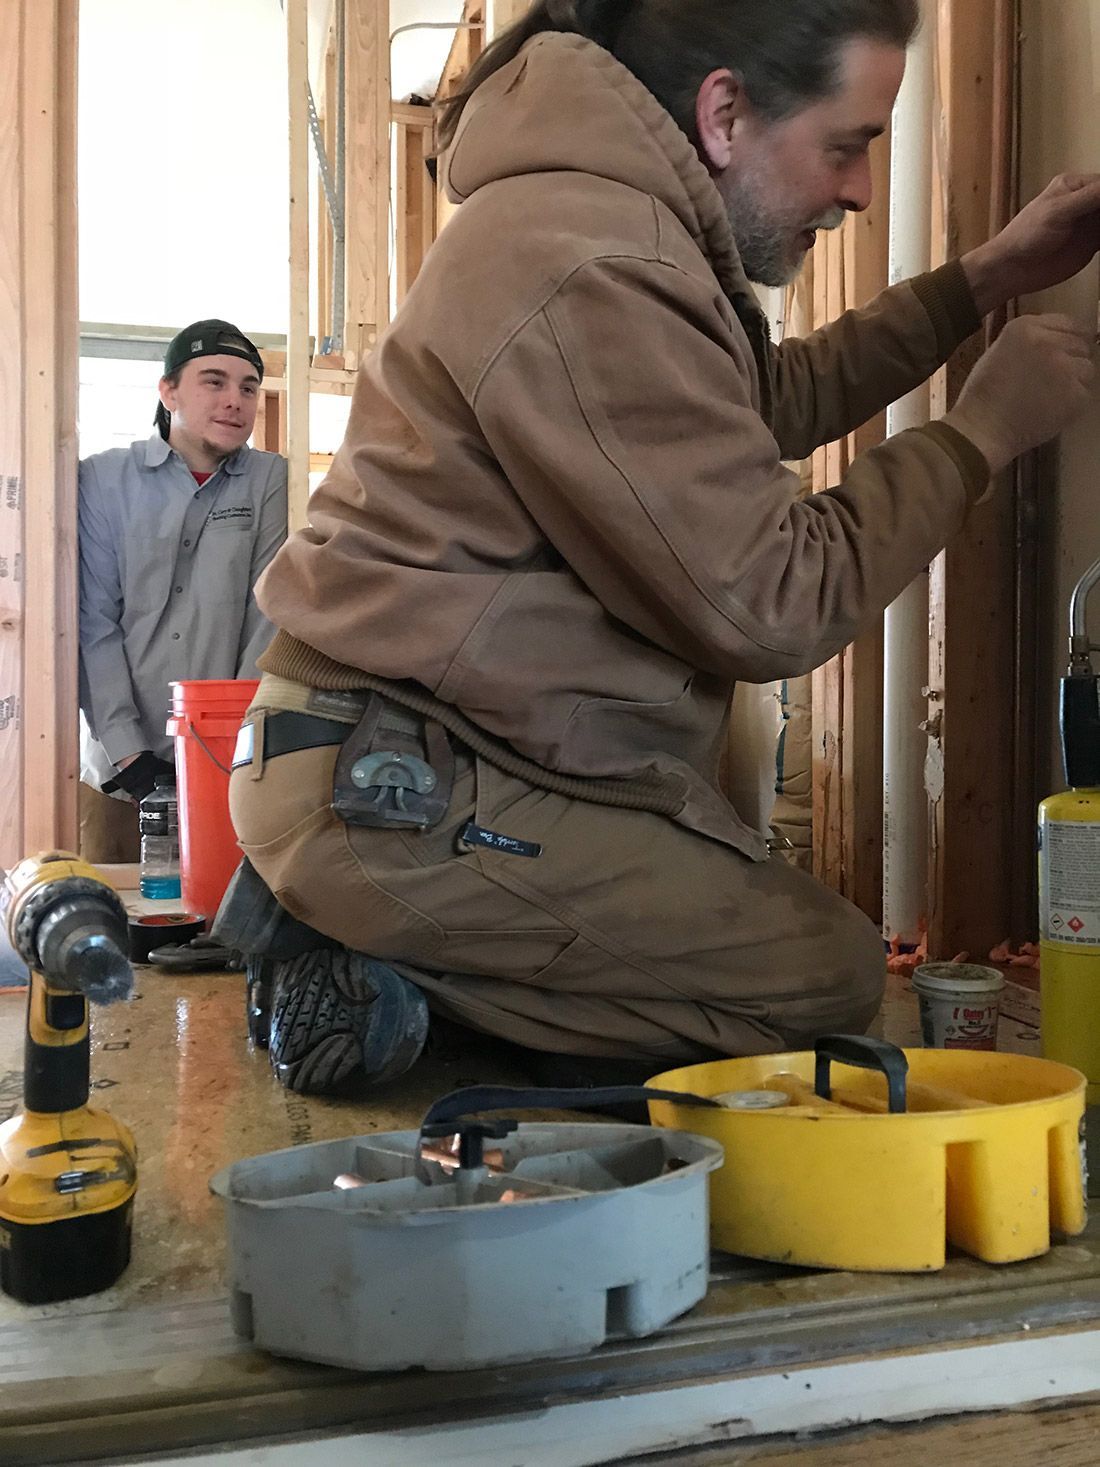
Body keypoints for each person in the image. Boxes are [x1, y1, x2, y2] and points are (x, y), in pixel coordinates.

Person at [221, 0, 1100, 1096]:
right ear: (722, 112)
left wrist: (978, 283)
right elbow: (768, 598)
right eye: (844, 145)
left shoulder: (608, 223)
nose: (862, 189)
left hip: (428, 760)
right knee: (817, 979)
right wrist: (979, 434)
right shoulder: (588, 256)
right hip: (399, 789)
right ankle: (378, 967)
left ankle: (383, 937)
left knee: (789, 959)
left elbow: (752, 403)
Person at [79, 321, 288, 861]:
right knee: (115, 925)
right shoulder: (103, 481)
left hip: (230, 764)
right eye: (213, 381)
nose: (235, 401)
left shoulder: (272, 483)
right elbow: (92, 622)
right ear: (168, 391)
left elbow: (265, 617)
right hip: (118, 769)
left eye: (248, 387)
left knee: (219, 930)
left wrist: (231, 751)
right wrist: (130, 756)